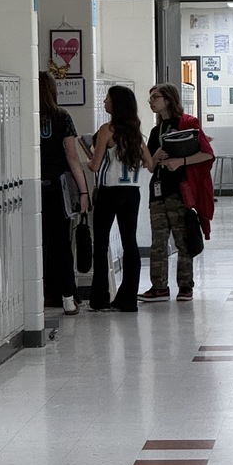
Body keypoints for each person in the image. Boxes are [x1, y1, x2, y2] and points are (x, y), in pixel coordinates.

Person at [139, 83, 215, 303]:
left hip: (179, 190)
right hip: (158, 191)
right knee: (158, 241)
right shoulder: (156, 131)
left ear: (168, 100)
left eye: (155, 97)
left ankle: (185, 285)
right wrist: (157, 157)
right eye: (150, 98)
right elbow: (150, 166)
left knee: (183, 239)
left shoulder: (187, 125)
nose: (151, 101)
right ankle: (159, 286)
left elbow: (206, 154)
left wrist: (179, 161)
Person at [87, 85, 150, 312]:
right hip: (132, 193)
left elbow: (94, 166)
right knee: (130, 243)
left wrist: (88, 159)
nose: (104, 103)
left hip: (109, 192)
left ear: (116, 105)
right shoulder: (135, 133)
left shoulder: (107, 130)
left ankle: (100, 299)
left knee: (101, 243)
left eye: (107, 99)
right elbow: (150, 165)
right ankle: (128, 299)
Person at [38, 70, 89, 315]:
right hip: (56, 189)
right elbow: (72, 157)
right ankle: (68, 297)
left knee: (38, 244)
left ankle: (42, 295)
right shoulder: (62, 117)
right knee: (60, 244)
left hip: (33, 188)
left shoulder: (26, 115)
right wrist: (83, 191)